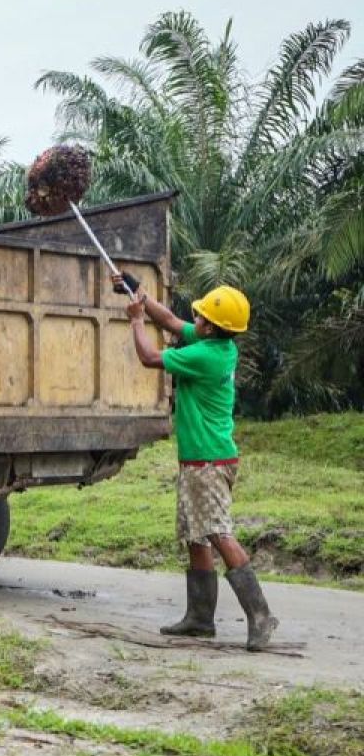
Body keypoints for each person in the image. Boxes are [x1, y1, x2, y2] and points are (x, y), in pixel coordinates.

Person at [115, 275, 279, 651]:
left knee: (218, 533)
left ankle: (261, 615)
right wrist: (137, 291)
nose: (197, 318)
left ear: (211, 327)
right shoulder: (219, 346)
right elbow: (172, 322)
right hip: (200, 460)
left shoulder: (204, 355)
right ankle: (200, 618)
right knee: (195, 533)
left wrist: (136, 319)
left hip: (208, 461)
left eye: (202, 316)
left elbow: (149, 356)